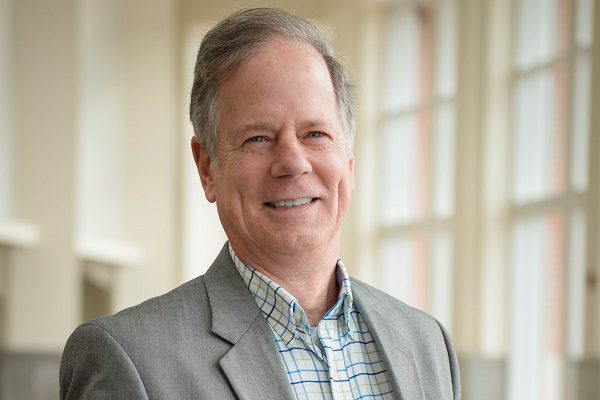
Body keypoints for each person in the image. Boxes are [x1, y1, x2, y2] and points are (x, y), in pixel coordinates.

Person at [59, 7, 460, 400]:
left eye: (316, 133)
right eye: (258, 138)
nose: (292, 163)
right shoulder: (128, 358)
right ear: (207, 168)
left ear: (349, 163)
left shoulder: (427, 344)